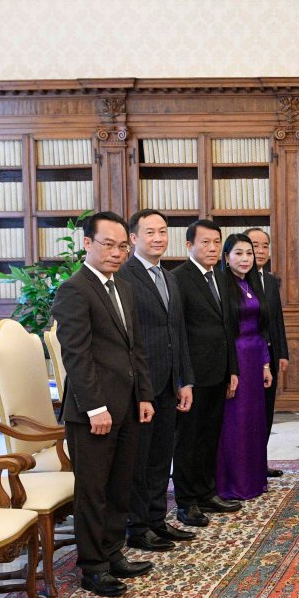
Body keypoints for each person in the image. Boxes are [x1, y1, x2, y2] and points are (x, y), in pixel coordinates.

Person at [52, 211, 155, 597]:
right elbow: (76, 355)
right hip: (93, 412)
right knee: (93, 491)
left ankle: (113, 554)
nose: (116, 253)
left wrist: (144, 395)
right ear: (87, 244)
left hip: (127, 404)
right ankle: (92, 567)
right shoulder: (75, 290)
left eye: (122, 246)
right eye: (108, 245)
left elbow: (135, 348)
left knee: (119, 485)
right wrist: (96, 407)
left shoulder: (122, 286)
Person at [117, 209, 196, 552]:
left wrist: (186, 380)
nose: (159, 238)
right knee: (141, 458)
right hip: (141, 384)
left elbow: (177, 332)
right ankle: (137, 527)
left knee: (163, 454)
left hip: (169, 381)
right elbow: (128, 337)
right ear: (133, 238)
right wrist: (139, 387)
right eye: (150, 232)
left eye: (163, 232)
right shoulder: (124, 276)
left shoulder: (170, 276)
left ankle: (156, 520)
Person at [171, 220, 241, 526]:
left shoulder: (223, 279)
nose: (212, 248)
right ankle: (186, 502)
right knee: (188, 440)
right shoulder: (178, 279)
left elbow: (229, 329)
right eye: (205, 243)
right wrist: (182, 378)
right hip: (193, 375)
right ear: (189, 246)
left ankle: (206, 492)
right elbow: (178, 333)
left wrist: (232, 370)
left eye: (216, 242)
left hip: (219, 372)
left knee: (210, 436)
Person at [215, 234, 273, 500]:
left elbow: (261, 329)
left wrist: (265, 364)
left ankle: (254, 480)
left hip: (254, 358)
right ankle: (233, 484)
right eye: (238, 253)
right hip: (235, 357)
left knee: (254, 422)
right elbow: (225, 331)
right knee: (235, 423)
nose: (245, 259)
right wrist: (230, 369)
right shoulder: (223, 286)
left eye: (249, 253)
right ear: (226, 257)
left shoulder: (252, 284)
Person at [245, 227, 290, 478]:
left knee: (266, 410)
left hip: (270, 356)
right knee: (247, 412)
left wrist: (282, 352)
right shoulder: (237, 279)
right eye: (254, 245)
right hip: (248, 356)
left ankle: (260, 461)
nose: (260, 251)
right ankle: (246, 464)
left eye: (264, 246)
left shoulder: (271, 280)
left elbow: (277, 320)